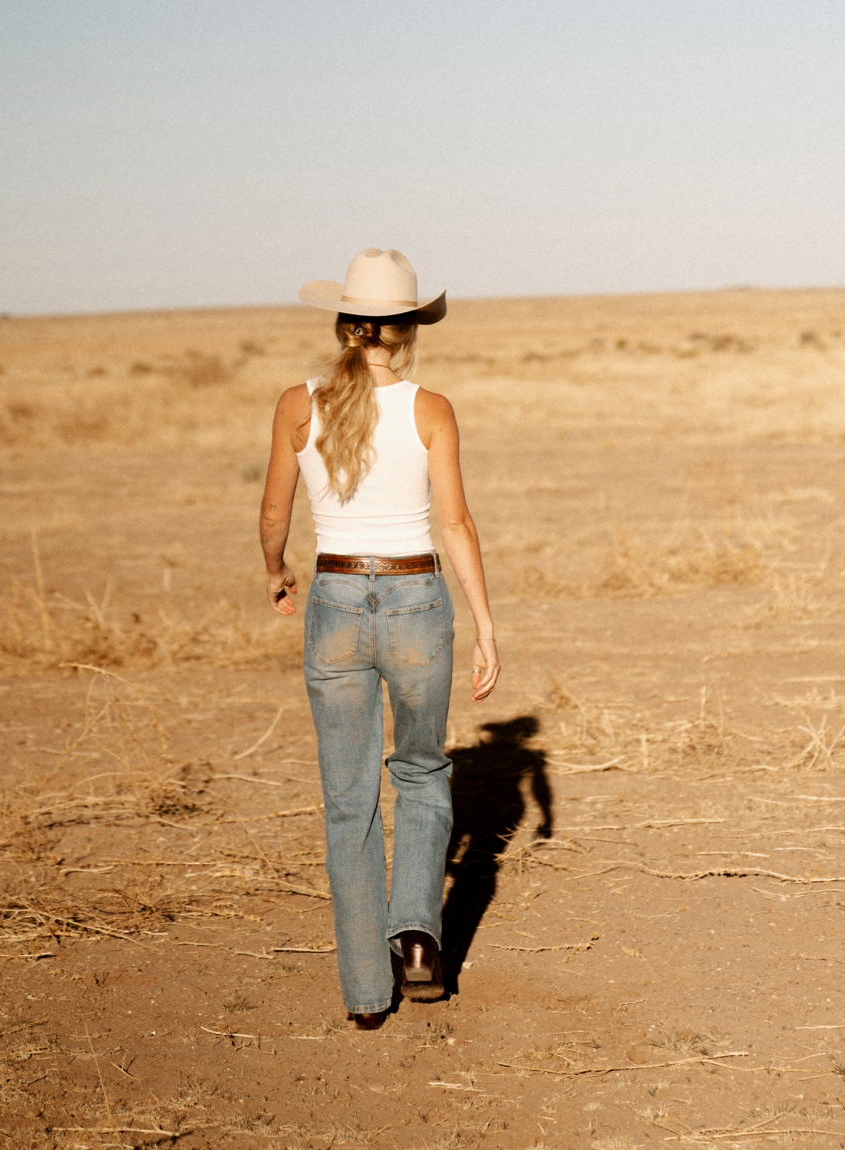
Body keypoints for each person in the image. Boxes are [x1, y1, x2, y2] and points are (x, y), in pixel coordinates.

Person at [259, 248, 500, 1030]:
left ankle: (367, 993)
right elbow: (455, 522)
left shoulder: (298, 404)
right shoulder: (433, 409)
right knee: (424, 774)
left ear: (344, 325)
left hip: (331, 596)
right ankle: (418, 935)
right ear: (408, 332)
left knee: (348, 800)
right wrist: (486, 623)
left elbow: (272, 515)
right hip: (416, 600)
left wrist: (275, 571)